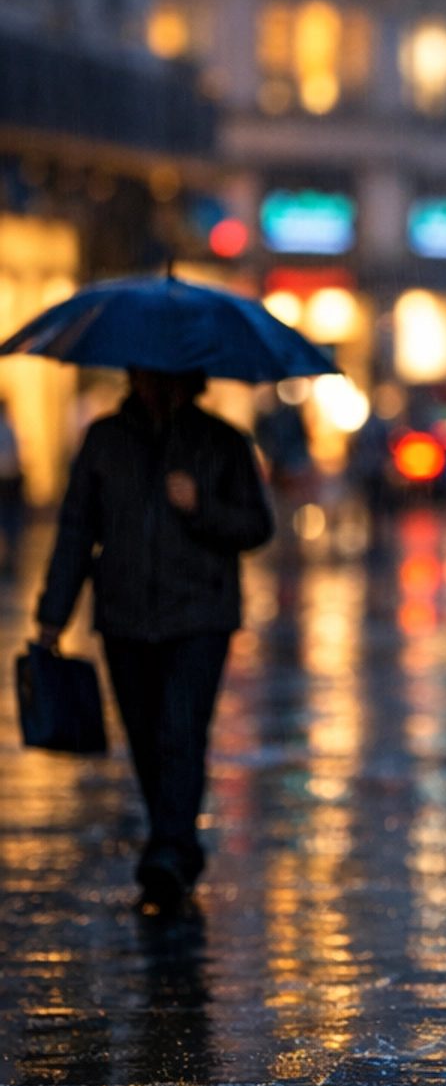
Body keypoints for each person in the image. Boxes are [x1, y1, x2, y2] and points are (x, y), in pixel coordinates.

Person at [35, 367, 274, 912]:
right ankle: (176, 846)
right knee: (144, 737)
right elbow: (77, 525)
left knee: (180, 730)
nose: (151, 384)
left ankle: (168, 852)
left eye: (163, 376)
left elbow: (257, 526)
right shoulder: (104, 439)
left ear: (188, 379)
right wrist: (54, 613)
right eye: (142, 374)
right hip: (123, 616)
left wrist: (200, 506)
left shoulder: (221, 441)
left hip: (199, 616)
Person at [0, 394, 21, 577]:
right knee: (9, 517)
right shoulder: (9, 427)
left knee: (7, 516)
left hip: (6, 478)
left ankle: (9, 557)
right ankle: (10, 555)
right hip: (9, 478)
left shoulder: (7, 427)